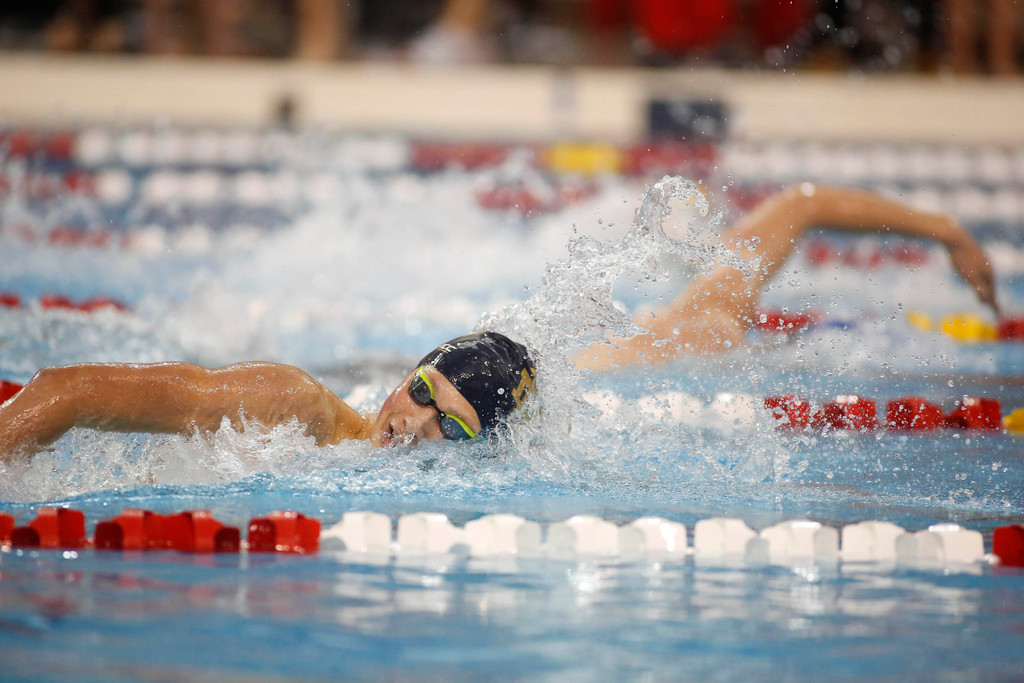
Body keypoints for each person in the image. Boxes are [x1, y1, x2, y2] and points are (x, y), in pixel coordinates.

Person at [0, 184, 997, 461]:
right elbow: (64, 389)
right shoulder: (289, 403)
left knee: (706, 328)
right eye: (424, 394)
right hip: (637, 357)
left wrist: (942, 226)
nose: (415, 427)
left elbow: (803, 201)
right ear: (410, 367)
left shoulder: (698, 340)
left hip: (658, 361)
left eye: (453, 429)